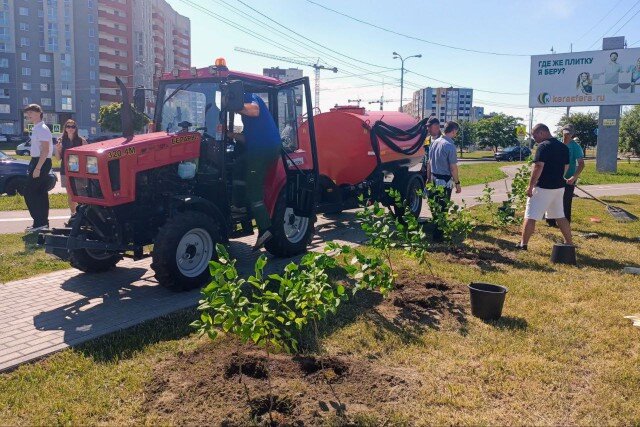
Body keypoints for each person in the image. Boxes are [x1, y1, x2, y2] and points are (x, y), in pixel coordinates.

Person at [227, 93, 281, 250]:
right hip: (260, 147)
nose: (236, 112)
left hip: (262, 149)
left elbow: (254, 110)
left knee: (254, 191)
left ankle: (265, 229)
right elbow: (247, 138)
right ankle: (237, 204)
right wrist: (231, 135)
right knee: (238, 163)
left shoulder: (249, 97)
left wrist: (231, 104)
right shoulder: (248, 120)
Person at [517, 124, 572, 250]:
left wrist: (530, 186)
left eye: (534, 135)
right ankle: (569, 243)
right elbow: (566, 166)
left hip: (543, 187)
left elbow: (538, 166)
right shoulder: (563, 147)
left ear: (542, 133)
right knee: (560, 215)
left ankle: (523, 244)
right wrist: (558, 177)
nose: (533, 138)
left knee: (530, 216)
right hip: (559, 187)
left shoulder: (543, 146)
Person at [427, 121, 461, 242]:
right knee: (442, 208)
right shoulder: (449, 145)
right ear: (454, 131)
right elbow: (453, 167)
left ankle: (436, 232)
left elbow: (429, 163)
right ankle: (438, 236)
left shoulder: (434, 142)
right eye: (456, 132)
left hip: (434, 179)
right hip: (445, 180)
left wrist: (428, 178)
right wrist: (457, 183)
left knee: (436, 207)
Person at [546, 124, 584, 227]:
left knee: (566, 200)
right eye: (564, 133)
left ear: (572, 134)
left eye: (568, 133)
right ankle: (551, 221)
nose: (566, 135)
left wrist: (574, 177)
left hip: (568, 177)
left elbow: (581, 164)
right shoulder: (556, 143)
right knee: (552, 198)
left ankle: (565, 222)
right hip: (554, 176)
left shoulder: (575, 146)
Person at [23, 104, 52, 232]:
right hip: (37, 161)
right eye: (28, 113)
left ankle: (40, 223)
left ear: (39, 113)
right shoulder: (37, 128)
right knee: (40, 193)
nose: (29, 115)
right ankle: (41, 223)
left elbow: (45, 150)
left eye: (32, 113)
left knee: (29, 192)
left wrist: (38, 168)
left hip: (41, 162)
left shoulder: (42, 129)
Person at [55, 119, 86, 215]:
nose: (70, 128)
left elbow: (87, 155)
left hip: (78, 171)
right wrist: (57, 149)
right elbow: (58, 158)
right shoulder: (61, 140)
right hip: (65, 170)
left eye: (73, 126)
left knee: (80, 192)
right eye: (68, 126)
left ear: (76, 128)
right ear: (65, 128)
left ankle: (83, 213)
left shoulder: (81, 140)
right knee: (69, 193)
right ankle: (73, 213)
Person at [421, 116, 441, 180]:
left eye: (429, 126)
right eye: (427, 126)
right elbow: (425, 153)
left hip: (438, 173)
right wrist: (423, 166)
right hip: (426, 172)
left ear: (437, 126)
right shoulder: (427, 139)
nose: (428, 129)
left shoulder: (443, 140)